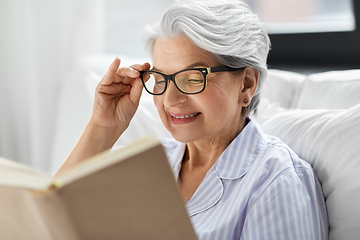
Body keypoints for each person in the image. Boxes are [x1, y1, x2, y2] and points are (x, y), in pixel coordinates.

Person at [56, 0, 328, 239]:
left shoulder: (276, 181)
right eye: (161, 78)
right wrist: (103, 127)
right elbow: (50, 222)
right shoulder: (152, 163)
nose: (171, 99)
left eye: (193, 78)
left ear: (246, 84)